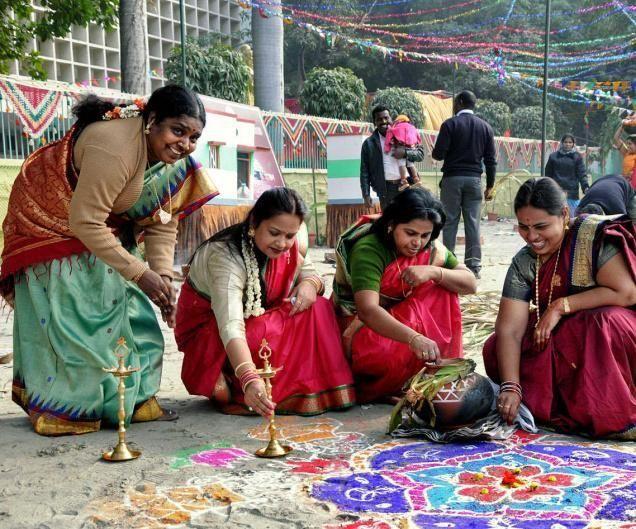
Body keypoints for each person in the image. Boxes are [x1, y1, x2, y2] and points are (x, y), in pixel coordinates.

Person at [0, 85, 218, 435]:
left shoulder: (173, 161)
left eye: (194, 136)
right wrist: (139, 272)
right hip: (51, 220)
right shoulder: (114, 147)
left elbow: (162, 218)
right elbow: (84, 221)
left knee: (135, 314)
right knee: (81, 318)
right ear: (151, 121)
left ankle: (135, 399)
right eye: (177, 131)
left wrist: (160, 277)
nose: (186, 144)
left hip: (101, 225)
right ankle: (68, 409)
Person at [175, 187, 355, 417]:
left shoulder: (292, 241)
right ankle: (237, 382)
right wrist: (250, 379)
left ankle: (296, 389)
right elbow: (230, 324)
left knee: (317, 307)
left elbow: (311, 273)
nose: (282, 243)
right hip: (212, 338)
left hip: (257, 323)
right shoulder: (226, 258)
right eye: (274, 233)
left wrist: (310, 285)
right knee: (274, 328)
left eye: (289, 236)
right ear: (254, 223)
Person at [483, 177, 636, 439]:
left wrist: (561, 306)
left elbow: (625, 292)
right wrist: (511, 386)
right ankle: (560, 407)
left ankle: (612, 413)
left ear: (564, 214)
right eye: (523, 227)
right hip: (564, 336)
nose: (532, 237)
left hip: (614, 330)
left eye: (541, 226)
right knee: (494, 347)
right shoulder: (525, 261)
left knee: (601, 323)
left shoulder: (591, 237)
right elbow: (510, 329)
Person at [332, 187, 477, 403]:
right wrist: (414, 338)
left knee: (443, 287)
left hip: (404, 323)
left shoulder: (430, 248)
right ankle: (397, 382)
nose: (417, 242)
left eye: (425, 235)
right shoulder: (369, 249)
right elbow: (368, 310)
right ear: (391, 225)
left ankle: (433, 375)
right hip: (361, 329)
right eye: (410, 233)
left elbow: (470, 283)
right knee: (394, 346)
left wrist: (434, 272)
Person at [432, 90, 497, 279]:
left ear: (459, 102)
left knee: (450, 221)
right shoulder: (485, 127)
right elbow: (491, 160)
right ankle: (474, 267)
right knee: (473, 222)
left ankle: (448, 262)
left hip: (452, 179)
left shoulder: (449, 125)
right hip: (475, 180)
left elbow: (438, 154)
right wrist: (490, 185)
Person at [360, 106, 426, 210]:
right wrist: (366, 194)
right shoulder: (369, 144)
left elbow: (420, 154)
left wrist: (405, 152)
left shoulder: (404, 132)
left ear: (391, 118)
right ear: (374, 122)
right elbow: (364, 171)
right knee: (390, 222)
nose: (384, 121)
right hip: (386, 191)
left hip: (408, 185)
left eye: (386, 118)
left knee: (409, 219)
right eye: (379, 119)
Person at [544, 133, 589, 214]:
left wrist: (585, 187)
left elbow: (582, 174)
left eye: (570, 142)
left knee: (572, 219)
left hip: (572, 194)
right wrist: (547, 188)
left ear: (573, 144)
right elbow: (548, 175)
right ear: (562, 143)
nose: (567, 144)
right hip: (556, 193)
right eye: (565, 142)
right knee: (557, 217)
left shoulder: (577, 157)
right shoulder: (553, 157)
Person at [383, 114, 423, 191]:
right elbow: (418, 139)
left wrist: (387, 148)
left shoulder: (395, 128)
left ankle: (403, 181)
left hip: (400, 147)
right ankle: (416, 179)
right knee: (411, 164)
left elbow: (389, 136)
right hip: (411, 148)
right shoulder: (413, 128)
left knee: (402, 165)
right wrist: (416, 145)